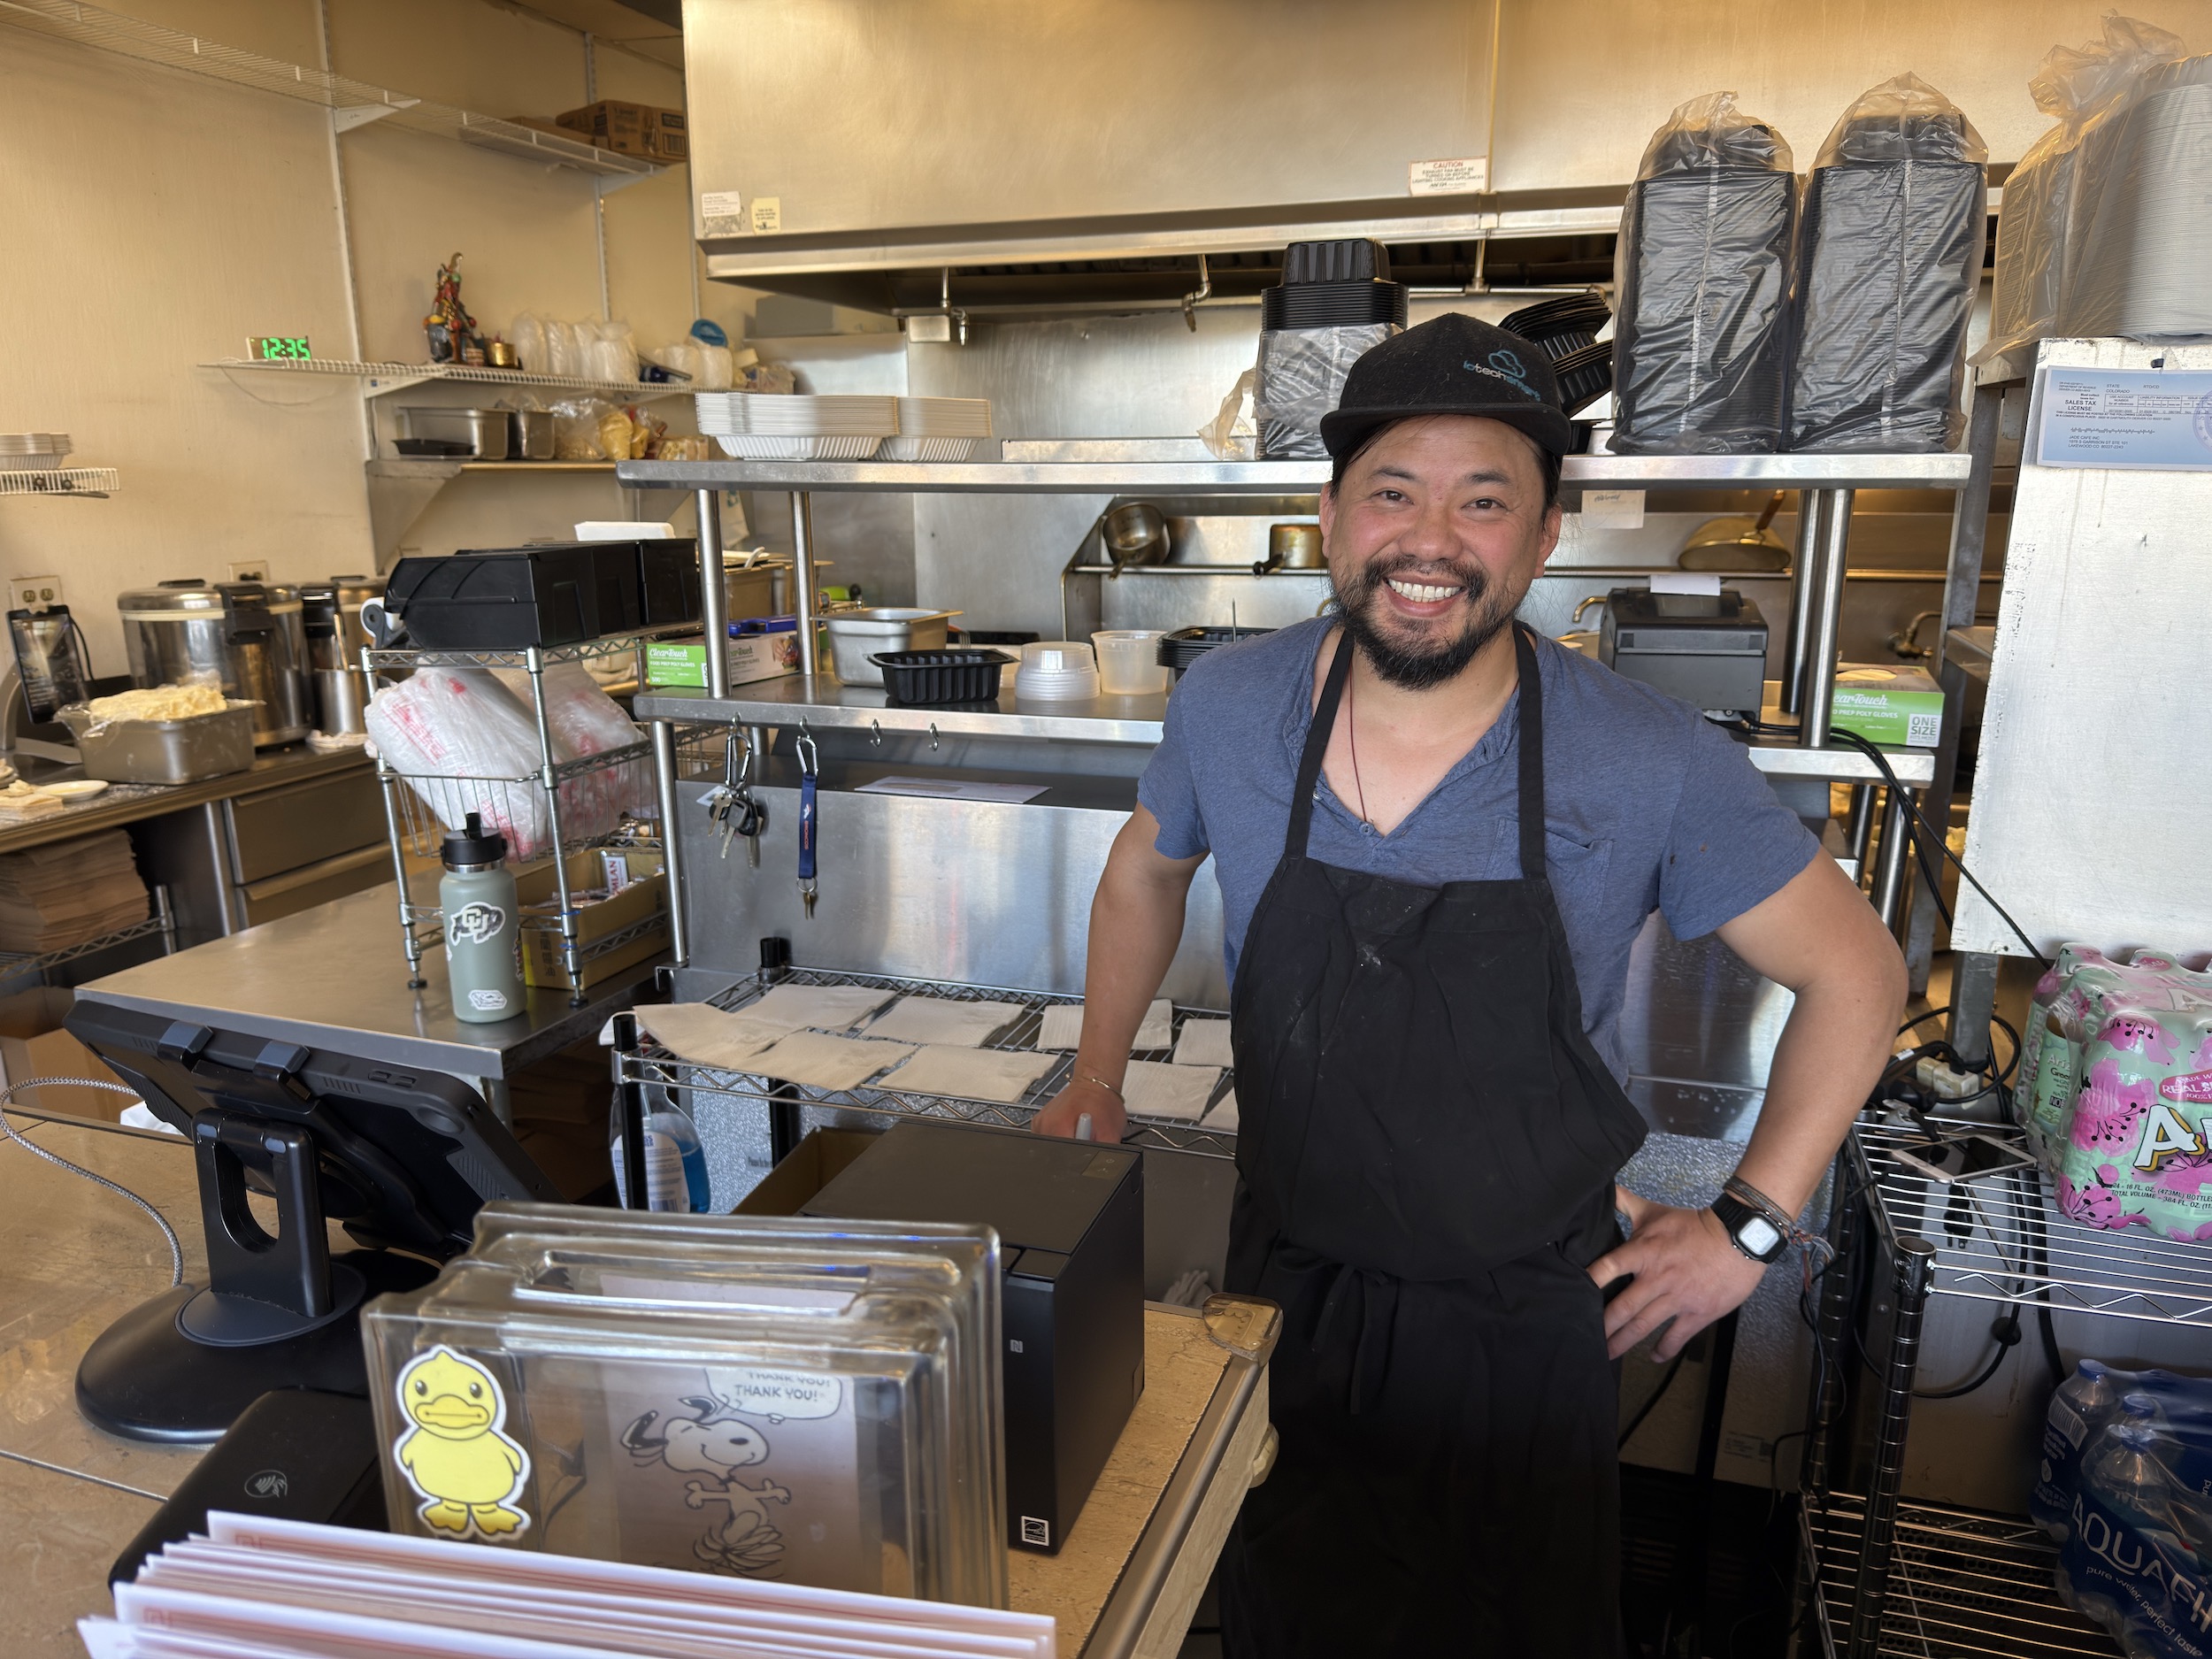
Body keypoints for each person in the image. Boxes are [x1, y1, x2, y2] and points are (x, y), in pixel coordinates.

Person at [1032, 313, 1907, 1655]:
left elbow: (1858, 971)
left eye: (1483, 500)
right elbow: (1144, 872)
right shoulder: (1228, 707)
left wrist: (1749, 1231)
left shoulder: (1645, 759)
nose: (1430, 538)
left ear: (1544, 535)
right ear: (1330, 517)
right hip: (1284, 1293)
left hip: (1523, 1326)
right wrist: (1097, 1076)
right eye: (1394, 491)